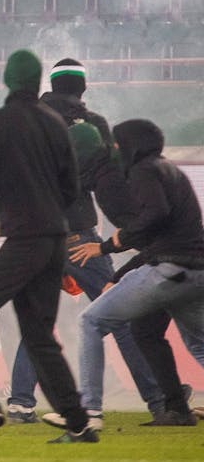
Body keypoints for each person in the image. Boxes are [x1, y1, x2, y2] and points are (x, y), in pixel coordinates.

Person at [0, 50, 95, 443]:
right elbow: (72, 188)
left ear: (9, 81)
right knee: (41, 336)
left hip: (19, 235)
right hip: (55, 239)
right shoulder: (56, 126)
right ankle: (78, 423)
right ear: (36, 80)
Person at [8, 59, 163, 423]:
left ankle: (19, 401)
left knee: (37, 319)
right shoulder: (92, 125)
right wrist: (133, 228)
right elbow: (109, 183)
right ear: (83, 89)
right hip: (77, 235)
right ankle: (160, 398)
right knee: (116, 312)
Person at [65, 119, 204, 428]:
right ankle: (176, 408)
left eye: (118, 143)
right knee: (169, 336)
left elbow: (152, 222)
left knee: (91, 320)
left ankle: (88, 413)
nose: (115, 149)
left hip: (169, 270)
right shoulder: (168, 168)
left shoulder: (139, 172)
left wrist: (108, 249)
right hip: (194, 272)